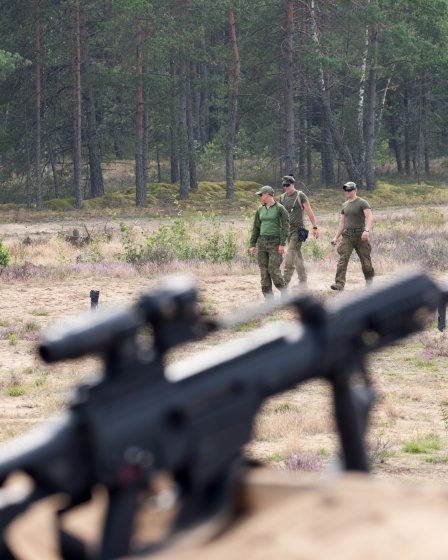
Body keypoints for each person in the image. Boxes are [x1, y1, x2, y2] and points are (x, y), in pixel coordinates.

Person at [330, 181, 374, 291]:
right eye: (345, 190)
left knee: (366, 262)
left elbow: (369, 217)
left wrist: (366, 231)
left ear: (355, 190)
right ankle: (339, 283)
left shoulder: (362, 203)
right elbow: (342, 223)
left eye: (349, 190)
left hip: (361, 235)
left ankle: (369, 283)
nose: (347, 192)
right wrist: (336, 237)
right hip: (348, 236)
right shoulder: (344, 205)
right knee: (343, 260)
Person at [249, 185, 289, 298]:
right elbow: (256, 227)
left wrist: (282, 244)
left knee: (273, 269)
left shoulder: (280, 209)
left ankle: (284, 294)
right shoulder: (260, 209)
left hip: (275, 242)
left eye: (261, 195)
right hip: (262, 242)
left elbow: (286, 227)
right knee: (264, 271)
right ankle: (268, 299)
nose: (260, 197)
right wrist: (252, 244)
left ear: (267, 194)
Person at [280, 175, 319, 287]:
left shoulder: (300, 195)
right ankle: (303, 282)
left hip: (297, 230)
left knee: (290, 254)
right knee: (297, 257)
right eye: (284, 185)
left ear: (293, 184)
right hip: (287, 230)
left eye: (288, 185)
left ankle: (285, 282)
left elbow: (309, 211)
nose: (286, 187)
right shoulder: (282, 197)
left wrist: (314, 227)